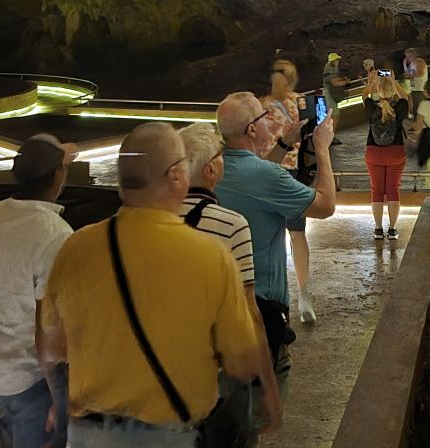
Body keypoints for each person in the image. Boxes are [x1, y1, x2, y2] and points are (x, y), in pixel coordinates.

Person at [40, 122, 263, 447]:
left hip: (88, 435)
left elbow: (53, 346)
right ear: (176, 177)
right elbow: (241, 361)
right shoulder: (210, 256)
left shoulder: (76, 246)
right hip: (167, 435)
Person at [213, 92, 336, 370]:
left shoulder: (212, 167)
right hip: (262, 304)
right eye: (264, 116)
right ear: (252, 129)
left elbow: (254, 172)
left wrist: (284, 142)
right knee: (264, 393)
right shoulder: (267, 177)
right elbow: (326, 206)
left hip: (220, 299)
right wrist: (322, 149)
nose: (271, 121)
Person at [0, 133, 78, 448]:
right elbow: (50, 328)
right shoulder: (54, 235)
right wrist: (60, 401)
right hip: (31, 382)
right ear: (59, 174)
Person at [176, 123, 281, 443]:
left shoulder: (157, 219)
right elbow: (250, 314)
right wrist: (268, 386)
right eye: (221, 156)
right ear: (211, 170)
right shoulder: (231, 225)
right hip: (219, 372)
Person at [262, 60, 316, 325]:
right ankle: (283, 295)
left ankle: (303, 294)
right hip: (273, 172)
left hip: (289, 173)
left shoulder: (295, 102)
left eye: (284, 73)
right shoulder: (263, 106)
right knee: (280, 235)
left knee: (294, 233)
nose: (280, 77)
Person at [363, 73, 409, 240]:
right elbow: (405, 97)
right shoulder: (400, 108)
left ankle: (377, 229)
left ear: (378, 91)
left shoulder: (371, 107)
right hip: (396, 153)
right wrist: (395, 83)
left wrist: (371, 83)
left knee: (377, 191)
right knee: (393, 190)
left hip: (374, 153)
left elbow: (365, 95)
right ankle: (393, 230)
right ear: (392, 91)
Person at [320, 52, 346, 146]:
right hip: (329, 95)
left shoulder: (330, 69)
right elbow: (334, 82)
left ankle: (329, 136)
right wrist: (344, 82)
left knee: (331, 116)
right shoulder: (329, 69)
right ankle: (331, 137)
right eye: (337, 60)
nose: (338, 62)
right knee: (334, 115)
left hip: (329, 94)